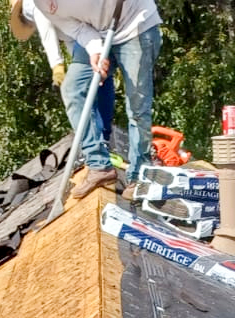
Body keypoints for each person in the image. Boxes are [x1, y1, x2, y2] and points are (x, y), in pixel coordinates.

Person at [33, 0, 162, 197]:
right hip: (101, 34)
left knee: (137, 107)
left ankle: (139, 175)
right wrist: (95, 50)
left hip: (135, 24)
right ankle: (99, 165)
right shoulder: (41, 6)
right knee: (72, 89)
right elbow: (78, 28)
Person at [10, 0, 114, 177]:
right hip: (94, 30)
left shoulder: (32, 6)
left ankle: (97, 154)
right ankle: (103, 137)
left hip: (94, 30)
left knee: (74, 89)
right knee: (100, 79)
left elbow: (46, 27)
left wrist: (57, 66)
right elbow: (72, 39)